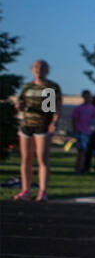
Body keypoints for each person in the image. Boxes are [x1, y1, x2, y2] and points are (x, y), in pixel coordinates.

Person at [13, 60, 61, 200]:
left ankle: (42, 191)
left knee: (42, 158)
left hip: (42, 125)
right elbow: (20, 103)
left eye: (41, 67)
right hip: (26, 125)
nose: (38, 69)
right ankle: (25, 191)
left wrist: (53, 123)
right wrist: (19, 106)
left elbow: (53, 109)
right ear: (31, 69)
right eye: (35, 66)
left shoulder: (50, 87)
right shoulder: (27, 87)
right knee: (26, 159)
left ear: (47, 70)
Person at [70, 90, 95, 174]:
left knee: (85, 152)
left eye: (89, 96)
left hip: (88, 132)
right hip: (80, 131)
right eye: (86, 96)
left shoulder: (92, 109)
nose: (88, 98)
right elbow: (74, 120)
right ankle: (79, 168)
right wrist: (75, 131)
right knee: (81, 151)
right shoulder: (79, 108)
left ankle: (82, 168)